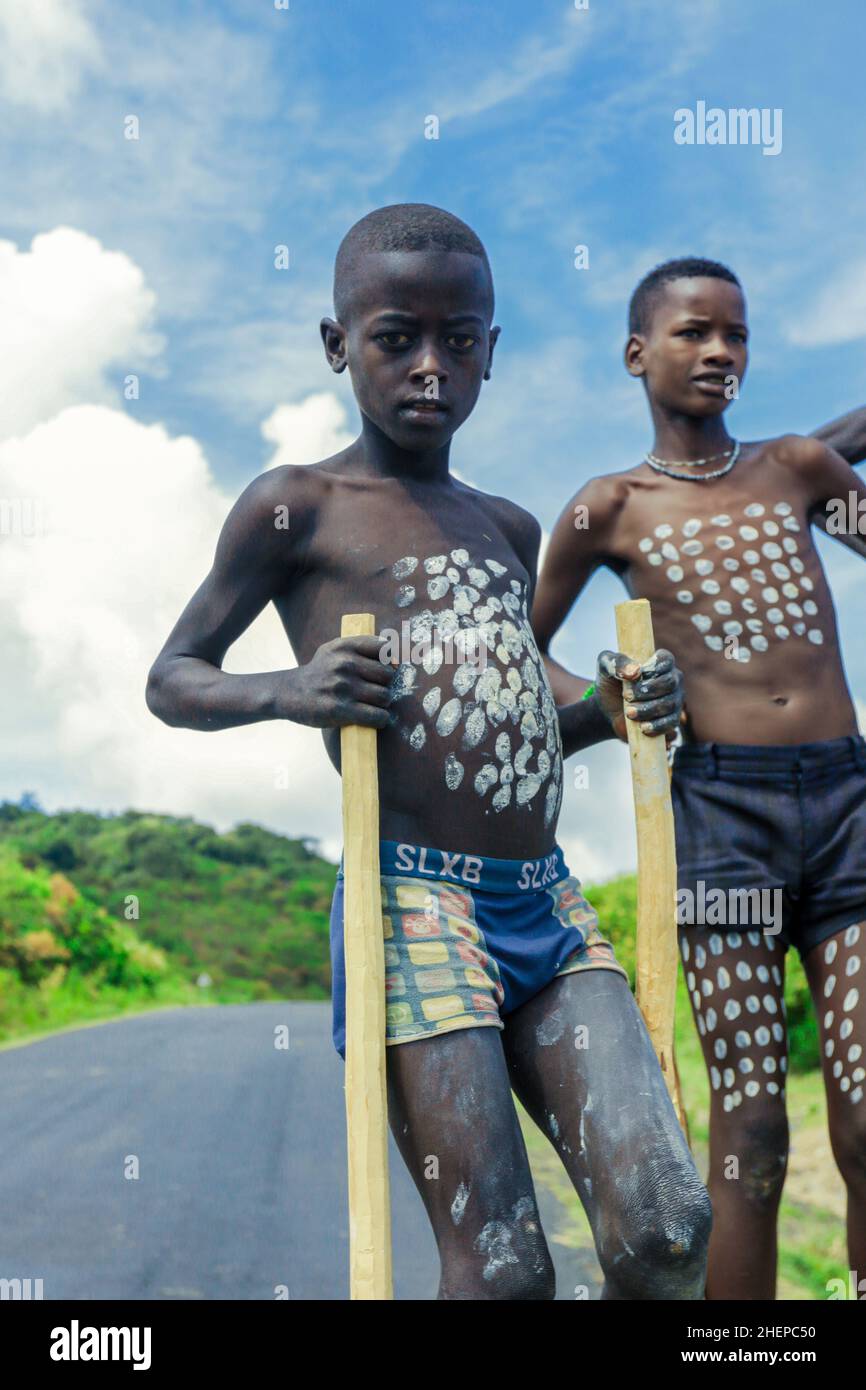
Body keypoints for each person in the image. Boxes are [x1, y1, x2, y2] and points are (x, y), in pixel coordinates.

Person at [147, 209, 711, 1300]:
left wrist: (612, 701)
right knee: (500, 1272)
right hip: (411, 904)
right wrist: (288, 690)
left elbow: (522, 695)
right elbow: (173, 674)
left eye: (459, 342)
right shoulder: (294, 507)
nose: (427, 368)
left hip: (542, 904)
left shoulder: (503, 525)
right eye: (394, 336)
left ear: (491, 352)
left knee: (666, 1228)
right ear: (335, 342)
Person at [532, 256, 866, 1300]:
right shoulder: (607, 511)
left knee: (862, 1112)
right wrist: (611, 695)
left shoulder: (801, 468)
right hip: (719, 816)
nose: (719, 350)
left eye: (734, 334)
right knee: (753, 1123)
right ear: (636, 353)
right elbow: (520, 661)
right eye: (691, 332)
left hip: (849, 805)